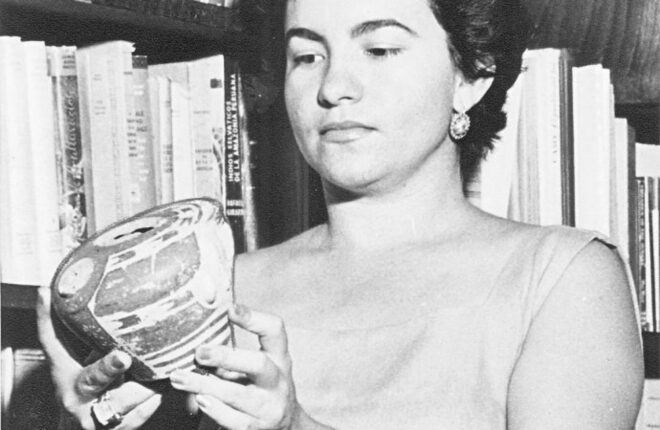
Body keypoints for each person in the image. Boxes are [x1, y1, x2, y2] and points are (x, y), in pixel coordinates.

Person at [38, 0, 645, 428]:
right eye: (306, 57)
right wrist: (87, 422)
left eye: (379, 49)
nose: (333, 87)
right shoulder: (214, 289)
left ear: (472, 75)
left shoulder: (564, 277)